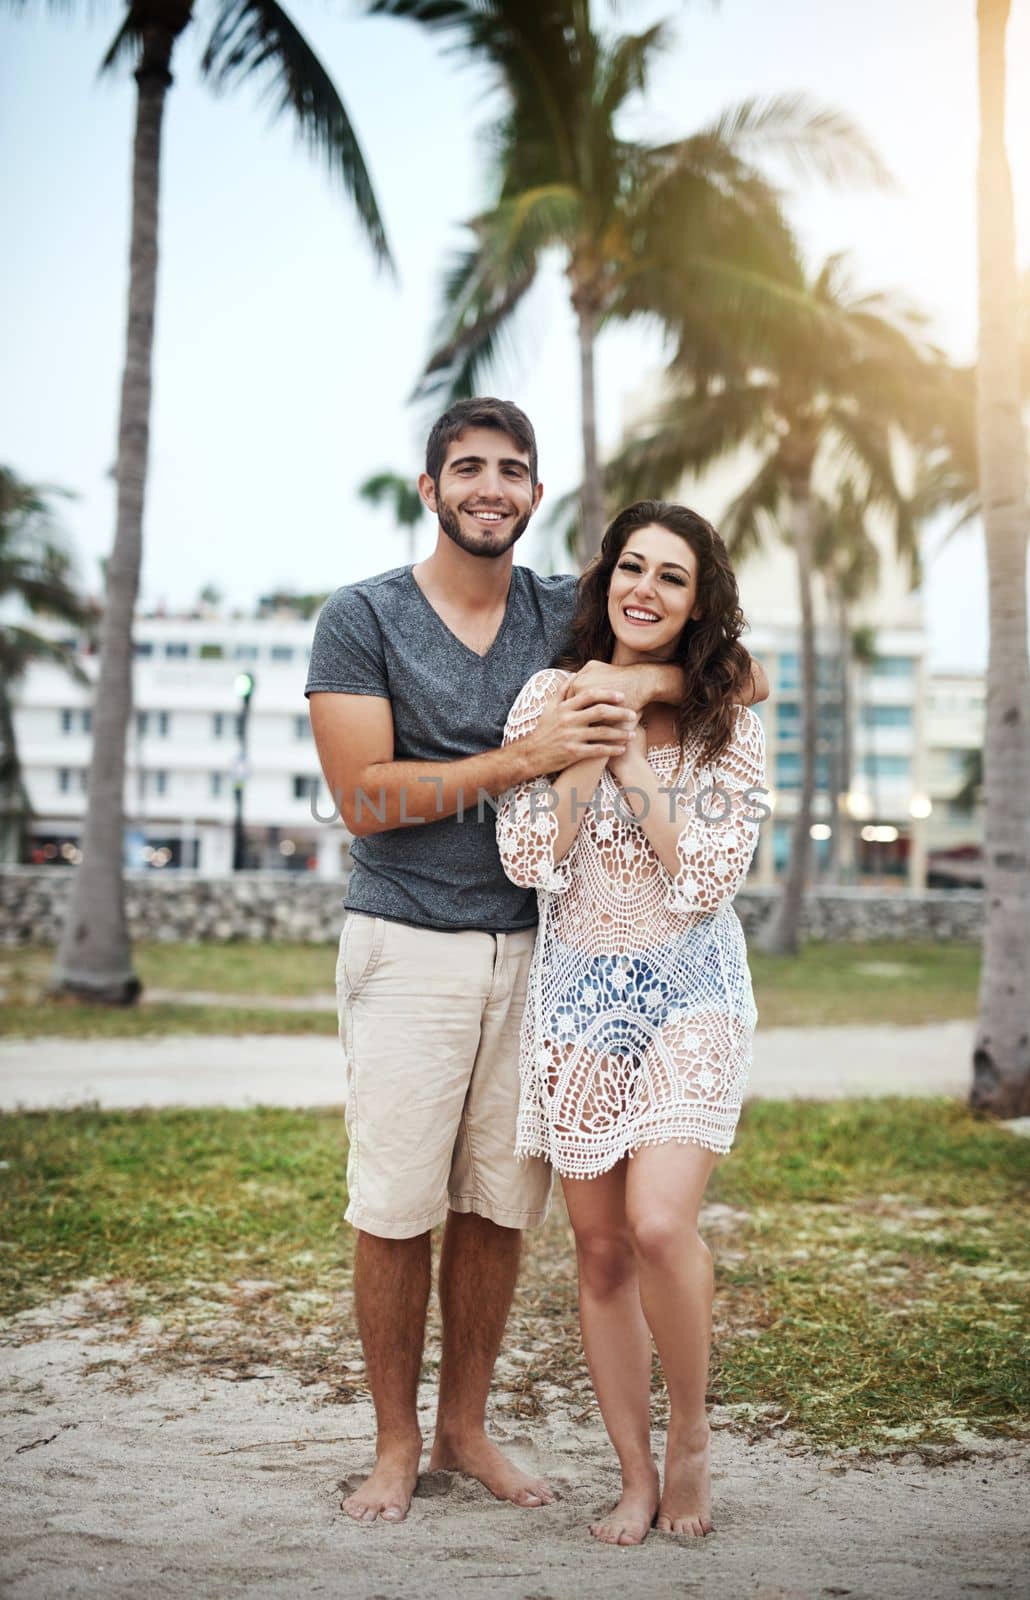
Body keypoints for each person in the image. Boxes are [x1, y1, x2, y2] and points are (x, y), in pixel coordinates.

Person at [306, 400, 767, 1526]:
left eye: (512, 471)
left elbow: (731, 674)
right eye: (467, 469)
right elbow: (365, 797)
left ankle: (467, 1428)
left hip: (542, 955)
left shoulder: (564, 606)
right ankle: (395, 1441)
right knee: (397, 1199)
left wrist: (641, 690)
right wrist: (541, 750)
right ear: (430, 488)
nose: (490, 488)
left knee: (499, 1209)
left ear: (537, 496)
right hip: (412, 934)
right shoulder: (362, 617)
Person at [495, 500, 767, 1545]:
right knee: (601, 1253)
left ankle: (690, 1434)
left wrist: (629, 757)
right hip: (577, 1002)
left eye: (672, 578)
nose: (644, 590)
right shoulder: (545, 698)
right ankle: (635, 1471)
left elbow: (702, 875)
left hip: (693, 988)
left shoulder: (726, 715)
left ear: (699, 604)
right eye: (632, 568)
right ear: (607, 577)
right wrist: (579, 743)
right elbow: (529, 861)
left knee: (659, 1224)